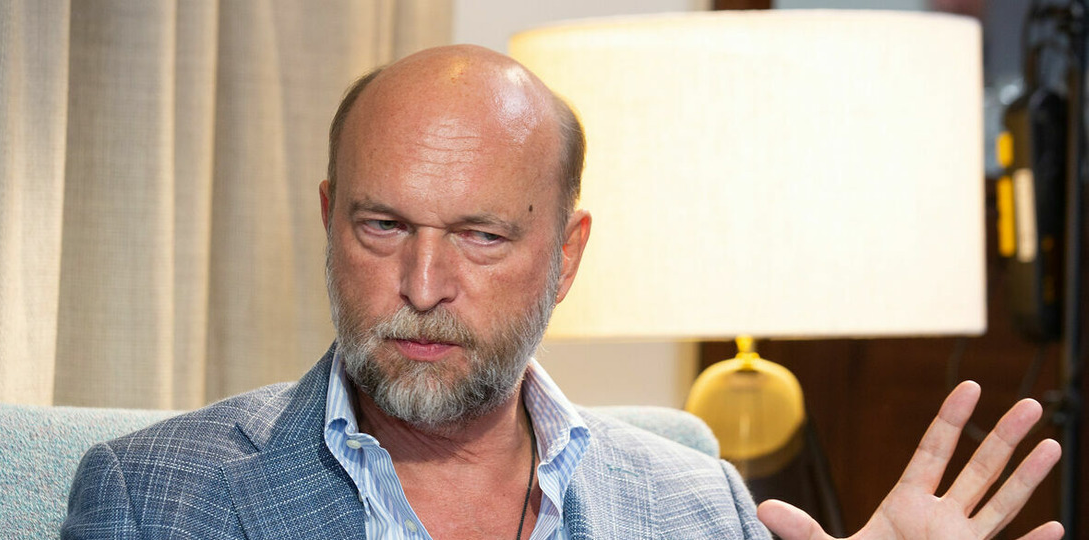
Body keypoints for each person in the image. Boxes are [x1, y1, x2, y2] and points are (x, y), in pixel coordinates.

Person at [62, 45, 1063, 540]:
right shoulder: (152, 498)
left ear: (566, 256)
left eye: (482, 236)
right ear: (330, 220)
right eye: (383, 226)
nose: (423, 286)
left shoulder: (701, 508)